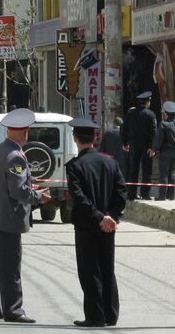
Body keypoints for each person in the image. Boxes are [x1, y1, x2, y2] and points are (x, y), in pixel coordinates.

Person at [0, 109, 51, 323]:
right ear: (25, 132)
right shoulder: (16, 156)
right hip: (7, 219)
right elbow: (18, 191)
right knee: (10, 267)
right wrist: (38, 196)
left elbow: (3, 182)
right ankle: (14, 310)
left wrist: (30, 185)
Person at [66, 118, 126, 327]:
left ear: (75, 139)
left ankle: (95, 316)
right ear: (95, 138)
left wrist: (99, 218)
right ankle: (111, 314)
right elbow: (121, 193)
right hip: (108, 225)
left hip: (87, 225)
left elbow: (79, 198)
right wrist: (110, 217)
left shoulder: (74, 166)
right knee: (107, 268)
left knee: (90, 269)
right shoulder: (111, 162)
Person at [121, 91, 157, 200]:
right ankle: (145, 194)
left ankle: (131, 194)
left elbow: (124, 128)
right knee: (147, 170)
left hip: (133, 145)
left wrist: (125, 143)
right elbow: (154, 132)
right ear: (147, 102)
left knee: (133, 169)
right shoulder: (150, 114)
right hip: (146, 146)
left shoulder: (131, 113)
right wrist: (153, 147)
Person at [154, 101, 175, 200]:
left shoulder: (164, 124)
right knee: (173, 173)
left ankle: (162, 196)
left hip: (166, 152)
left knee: (163, 173)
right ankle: (172, 196)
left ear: (166, 113)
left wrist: (155, 149)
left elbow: (159, 139)